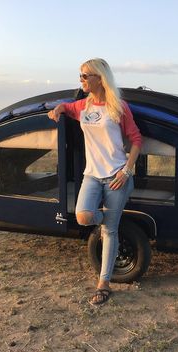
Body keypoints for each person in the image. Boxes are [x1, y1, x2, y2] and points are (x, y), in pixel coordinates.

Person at [49, 58, 142, 305]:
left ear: (99, 78)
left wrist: (126, 171)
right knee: (83, 216)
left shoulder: (118, 107)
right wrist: (58, 109)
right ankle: (105, 216)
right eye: (80, 75)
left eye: (84, 76)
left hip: (116, 177)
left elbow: (136, 140)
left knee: (110, 230)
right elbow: (67, 108)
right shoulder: (84, 106)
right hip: (92, 175)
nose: (81, 80)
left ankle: (103, 283)